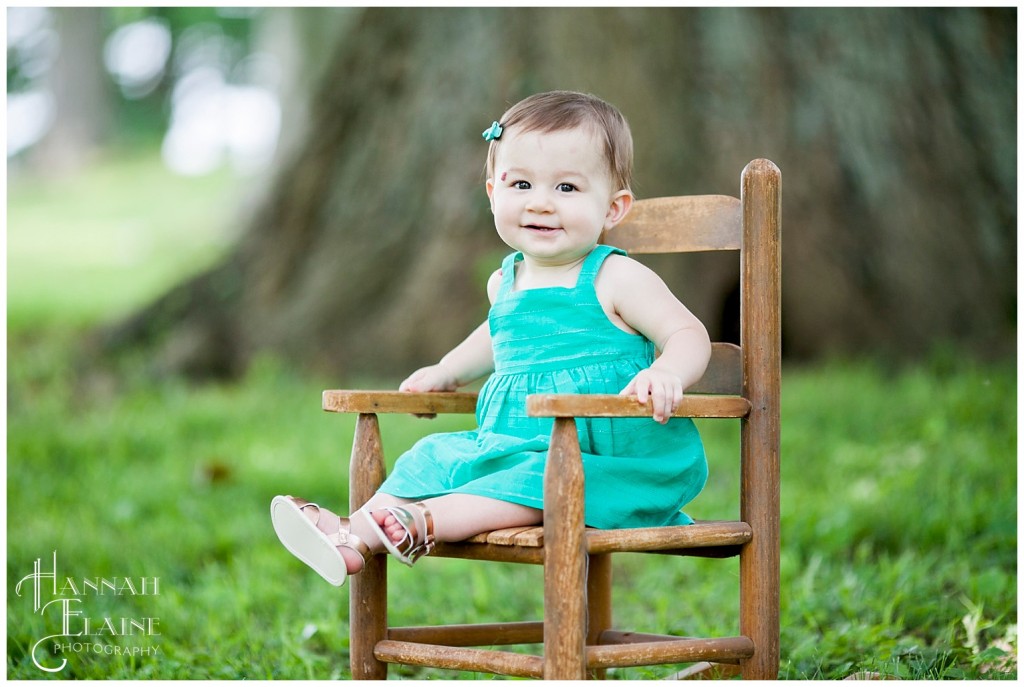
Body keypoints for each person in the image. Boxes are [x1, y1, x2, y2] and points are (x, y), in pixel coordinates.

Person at [271, 90, 712, 587]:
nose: (540, 202)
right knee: (429, 455)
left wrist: (667, 371)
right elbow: (494, 337)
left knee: (531, 482)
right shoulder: (504, 282)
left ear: (613, 208)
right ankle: (351, 538)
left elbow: (688, 333)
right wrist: (447, 371)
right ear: (492, 192)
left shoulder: (615, 277)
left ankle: (425, 524)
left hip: (606, 459)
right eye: (521, 183)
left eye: (567, 188)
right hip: (516, 441)